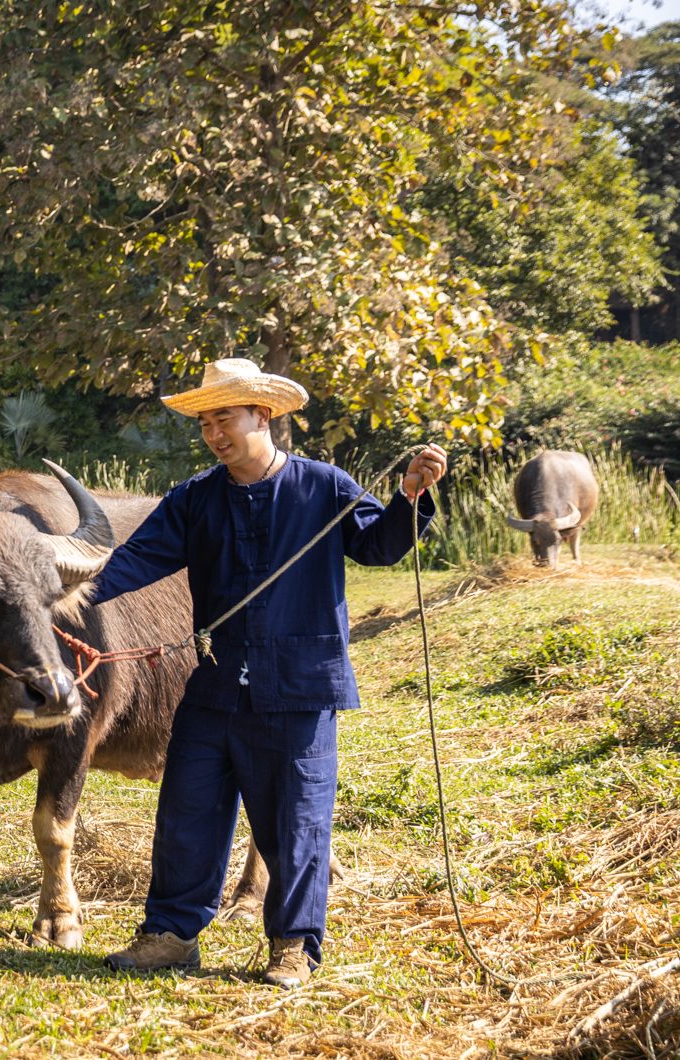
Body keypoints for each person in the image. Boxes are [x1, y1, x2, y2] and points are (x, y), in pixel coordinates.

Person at [87, 358, 447, 988]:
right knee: (186, 809)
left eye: (224, 418)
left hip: (300, 689)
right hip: (216, 683)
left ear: (264, 415)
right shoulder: (194, 500)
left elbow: (379, 546)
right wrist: (63, 597)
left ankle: (292, 946)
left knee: (295, 819)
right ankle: (170, 936)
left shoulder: (323, 487)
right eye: (205, 424)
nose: (214, 434)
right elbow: (131, 563)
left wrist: (411, 495)